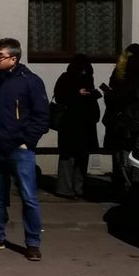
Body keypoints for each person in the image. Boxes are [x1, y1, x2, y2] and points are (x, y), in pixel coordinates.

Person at [0, 37, 50, 262]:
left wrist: (27, 141)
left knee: (28, 196)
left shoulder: (30, 81)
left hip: (19, 149)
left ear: (13, 59)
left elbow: (42, 116)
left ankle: (32, 242)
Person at [102, 43, 139, 197]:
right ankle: (134, 189)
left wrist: (108, 94)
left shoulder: (124, 76)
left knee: (120, 160)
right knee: (136, 159)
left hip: (121, 125)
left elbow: (116, 100)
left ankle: (123, 189)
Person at [53, 54, 101, 199]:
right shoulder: (66, 78)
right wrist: (77, 93)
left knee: (81, 157)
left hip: (83, 124)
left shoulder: (87, 79)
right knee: (69, 157)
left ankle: (77, 188)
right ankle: (66, 189)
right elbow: (60, 96)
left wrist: (92, 95)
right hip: (71, 123)